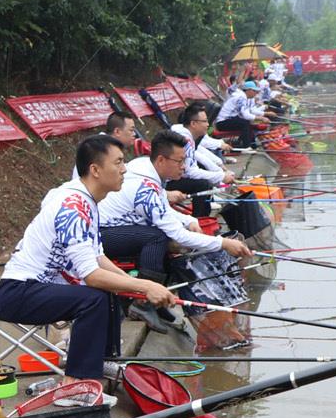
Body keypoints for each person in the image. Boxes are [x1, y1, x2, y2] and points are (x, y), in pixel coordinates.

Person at [0, 135, 176, 382]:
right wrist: (146, 285)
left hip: (41, 288)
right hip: (19, 292)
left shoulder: (86, 200)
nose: (125, 170)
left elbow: (97, 256)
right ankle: (76, 384)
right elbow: (91, 276)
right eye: (119, 163)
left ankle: (105, 362)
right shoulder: (73, 207)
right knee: (93, 299)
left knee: (110, 290)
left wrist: (136, 289)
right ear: (95, 170)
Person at [100, 131, 253, 349]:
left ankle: (158, 299)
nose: (184, 167)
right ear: (161, 159)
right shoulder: (146, 186)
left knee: (164, 239)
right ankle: (143, 302)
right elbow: (176, 233)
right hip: (102, 234)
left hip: (121, 227)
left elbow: (163, 210)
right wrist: (223, 243)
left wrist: (188, 218)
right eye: (180, 161)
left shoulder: (148, 169)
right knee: (158, 238)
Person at [168, 103, 235, 198]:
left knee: (203, 171)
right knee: (202, 184)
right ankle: (203, 209)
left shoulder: (187, 135)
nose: (208, 125)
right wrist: (221, 175)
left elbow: (200, 154)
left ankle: (210, 194)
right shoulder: (184, 139)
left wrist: (219, 169)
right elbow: (191, 172)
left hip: (175, 175)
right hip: (166, 182)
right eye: (204, 121)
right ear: (193, 124)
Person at [215, 81, 264, 149]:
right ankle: (246, 147)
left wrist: (257, 117)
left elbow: (246, 113)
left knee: (247, 123)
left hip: (228, 120)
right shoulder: (241, 97)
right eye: (254, 91)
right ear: (248, 90)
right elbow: (245, 115)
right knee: (245, 123)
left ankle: (252, 145)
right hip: (222, 122)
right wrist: (261, 118)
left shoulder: (243, 97)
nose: (256, 93)